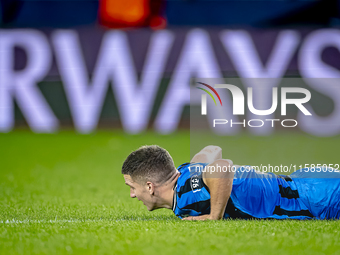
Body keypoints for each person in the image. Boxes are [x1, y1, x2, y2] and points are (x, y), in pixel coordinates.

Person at [122, 145, 340, 220]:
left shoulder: (188, 192)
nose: (132, 195)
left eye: (132, 187)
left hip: (317, 198)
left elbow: (222, 166)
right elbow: (211, 151)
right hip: (306, 180)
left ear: (150, 186)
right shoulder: (185, 171)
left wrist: (213, 216)